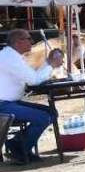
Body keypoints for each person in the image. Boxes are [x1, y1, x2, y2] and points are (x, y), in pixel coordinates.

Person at [0, 29, 62, 164]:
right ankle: (20, 149)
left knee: (50, 112)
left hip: (10, 102)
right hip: (4, 104)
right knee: (43, 117)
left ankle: (17, 145)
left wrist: (48, 63)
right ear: (18, 42)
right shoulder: (9, 58)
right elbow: (33, 80)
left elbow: (32, 76)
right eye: (28, 39)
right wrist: (51, 65)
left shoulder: (12, 56)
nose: (31, 41)